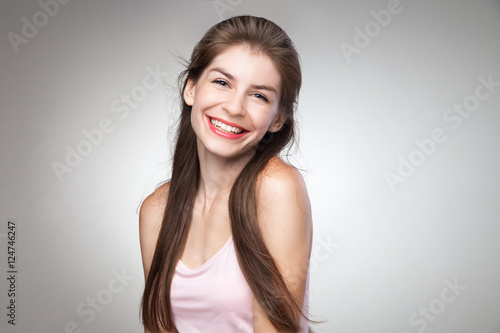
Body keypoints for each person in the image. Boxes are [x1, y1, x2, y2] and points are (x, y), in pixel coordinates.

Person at [139, 15, 313, 333]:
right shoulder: (156, 210)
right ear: (191, 88)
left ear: (278, 119)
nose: (234, 108)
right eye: (222, 82)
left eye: (259, 95)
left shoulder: (276, 187)